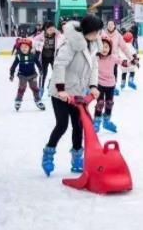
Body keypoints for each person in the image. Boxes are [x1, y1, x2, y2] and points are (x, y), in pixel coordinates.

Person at [41, 15, 103, 177]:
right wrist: (61, 89)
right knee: (62, 125)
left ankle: (77, 158)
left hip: (77, 94)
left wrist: (93, 86)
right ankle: (48, 154)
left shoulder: (94, 44)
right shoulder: (70, 44)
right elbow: (59, 65)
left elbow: (94, 67)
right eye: (96, 31)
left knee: (78, 126)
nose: (98, 34)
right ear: (88, 31)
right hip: (60, 93)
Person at [94, 34, 135, 133]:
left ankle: (106, 121)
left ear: (110, 48)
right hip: (99, 83)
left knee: (109, 103)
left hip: (110, 85)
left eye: (107, 47)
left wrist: (132, 62)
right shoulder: (96, 57)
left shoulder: (113, 57)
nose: (104, 49)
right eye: (102, 47)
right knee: (100, 103)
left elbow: (123, 62)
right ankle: (96, 122)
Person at [9, 38, 44, 111]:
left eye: (26, 47)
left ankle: (38, 100)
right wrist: (11, 74)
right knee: (22, 88)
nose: (24, 49)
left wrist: (41, 70)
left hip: (33, 75)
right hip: (22, 75)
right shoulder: (18, 57)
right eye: (22, 47)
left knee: (34, 88)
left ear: (29, 48)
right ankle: (18, 100)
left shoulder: (33, 56)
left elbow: (38, 64)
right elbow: (13, 66)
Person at [33, 21, 62, 97]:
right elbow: (34, 40)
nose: (51, 31)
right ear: (46, 29)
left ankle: (51, 85)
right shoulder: (41, 35)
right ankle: (41, 89)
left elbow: (62, 36)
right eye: (50, 29)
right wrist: (38, 45)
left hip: (53, 58)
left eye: (53, 29)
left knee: (56, 74)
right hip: (43, 58)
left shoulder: (56, 35)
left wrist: (56, 31)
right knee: (43, 74)